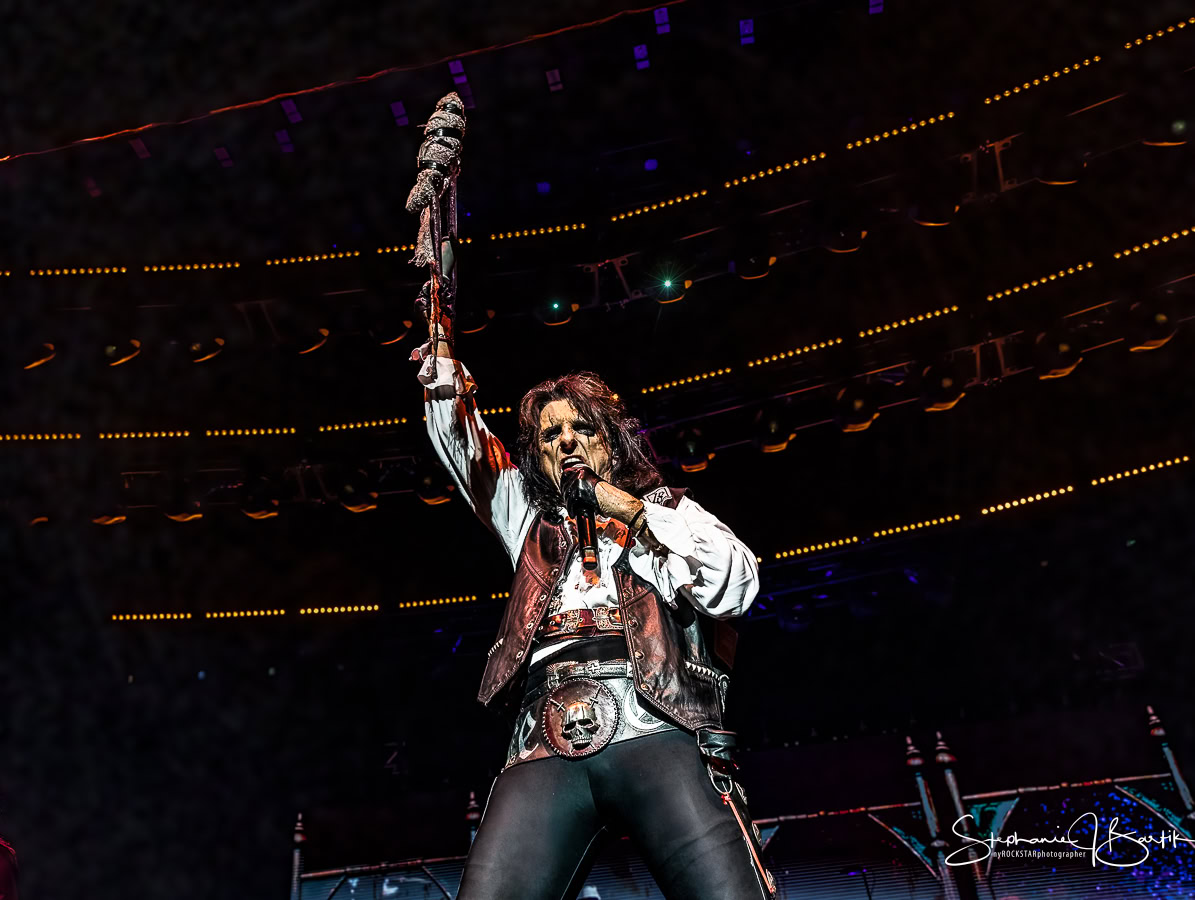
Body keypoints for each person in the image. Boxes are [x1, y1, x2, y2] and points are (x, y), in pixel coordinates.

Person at [416, 309, 775, 900]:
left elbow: (735, 587)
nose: (567, 442)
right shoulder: (528, 520)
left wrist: (629, 510)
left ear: (610, 440)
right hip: (545, 740)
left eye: (581, 428)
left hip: (657, 722)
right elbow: (466, 448)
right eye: (550, 436)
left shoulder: (668, 512)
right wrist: (443, 365)